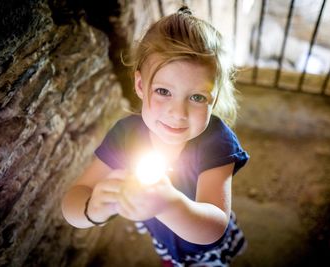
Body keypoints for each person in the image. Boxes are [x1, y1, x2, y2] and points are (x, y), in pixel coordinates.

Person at [61, 6, 249, 266]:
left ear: (214, 99)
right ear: (140, 85)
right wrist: (93, 209)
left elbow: (214, 227)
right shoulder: (126, 134)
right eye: (163, 91)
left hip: (201, 251)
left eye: (197, 97)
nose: (178, 113)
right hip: (164, 241)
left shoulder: (216, 141)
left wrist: (168, 205)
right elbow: (73, 202)